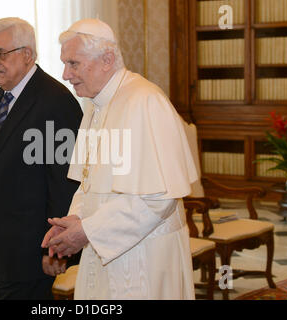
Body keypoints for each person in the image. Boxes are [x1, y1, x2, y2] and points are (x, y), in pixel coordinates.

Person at [41, 19, 199, 299]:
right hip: (105, 249)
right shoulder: (96, 104)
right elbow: (87, 181)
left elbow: (159, 199)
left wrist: (87, 231)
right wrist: (73, 222)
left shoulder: (145, 100)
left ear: (107, 60)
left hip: (144, 259)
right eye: (65, 63)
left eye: (73, 63)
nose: (65, 74)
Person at [0, 17, 82, 300]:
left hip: (31, 251)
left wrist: (54, 248)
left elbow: (64, 184)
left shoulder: (55, 101)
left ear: (27, 54)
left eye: (1, 54)